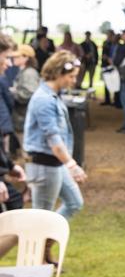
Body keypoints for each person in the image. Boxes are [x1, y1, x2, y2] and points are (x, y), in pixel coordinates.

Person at [23, 50, 87, 263]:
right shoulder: (44, 100)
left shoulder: (53, 96)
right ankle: (36, 261)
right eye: (71, 75)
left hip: (55, 166)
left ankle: (45, 245)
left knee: (74, 203)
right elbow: (53, 140)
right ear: (59, 72)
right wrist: (71, 164)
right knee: (41, 216)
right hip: (44, 166)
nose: (73, 79)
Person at [9, 44, 40, 133]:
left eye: (17, 56)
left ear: (26, 57)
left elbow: (29, 93)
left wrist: (13, 92)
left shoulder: (29, 73)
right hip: (21, 119)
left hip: (24, 119)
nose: (14, 58)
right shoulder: (24, 71)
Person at [100, 29, 115, 105]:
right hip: (105, 65)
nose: (108, 36)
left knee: (114, 83)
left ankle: (115, 101)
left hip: (112, 66)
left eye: (110, 35)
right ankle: (107, 100)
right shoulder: (105, 43)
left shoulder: (114, 44)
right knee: (106, 83)